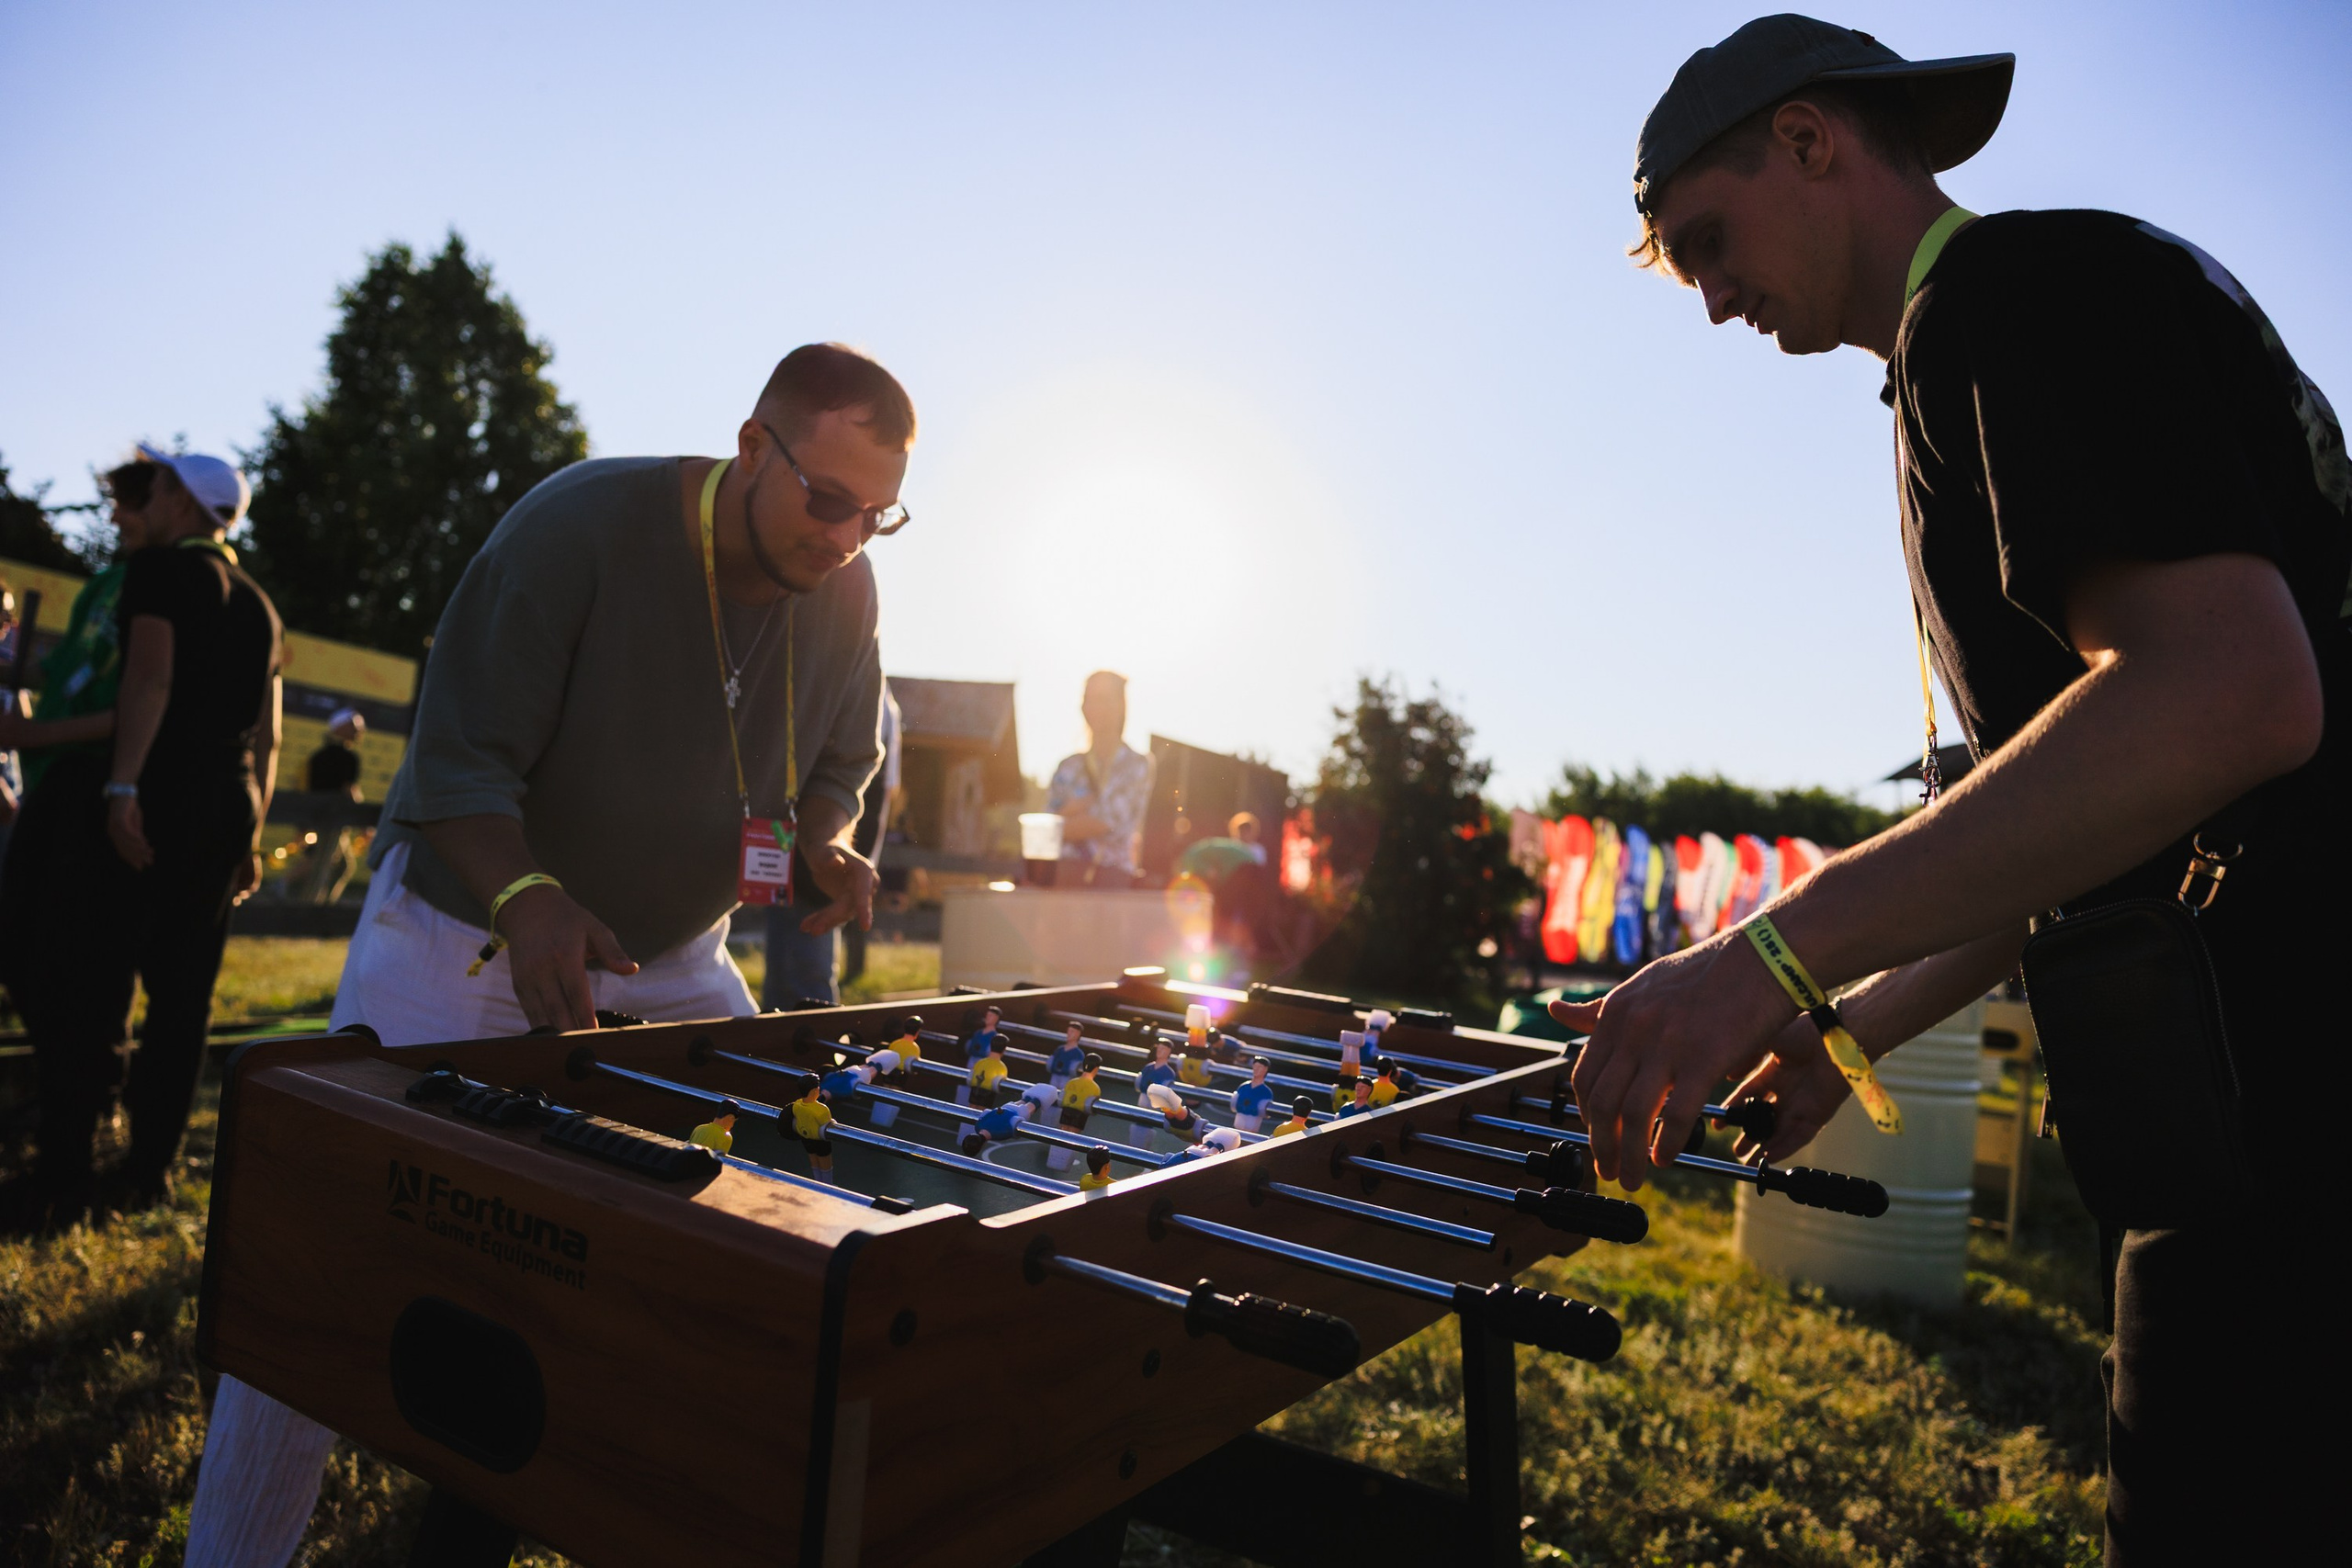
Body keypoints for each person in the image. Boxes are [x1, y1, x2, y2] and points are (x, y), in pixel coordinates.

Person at [1576, 17, 2347, 1565]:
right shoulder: (2035, 312)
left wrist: (1764, 951)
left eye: (1711, 243)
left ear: (1809, 139)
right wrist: (1848, 1022)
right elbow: (2097, 809)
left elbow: (2232, 695)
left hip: (2293, 1120)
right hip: (2249, 1116)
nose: (1715, 303)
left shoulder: (2016, 299)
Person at [184, 344, 916, 1568]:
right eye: (826, 498)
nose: (846, 536)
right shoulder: (579, 526)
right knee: (321, 1265)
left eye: (876, 512)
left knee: (779, 1207)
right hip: (459, 938)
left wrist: (828, 846)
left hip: (678, 954)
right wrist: (530, 899)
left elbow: (835, 770)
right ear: (751, 447)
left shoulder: (848, 589)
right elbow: (456, 761)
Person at [766, 683, 898, 1004]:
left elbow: (871, 790)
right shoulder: (880, 701)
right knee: (794, 974)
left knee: (805, 985)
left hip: (819, 862)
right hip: (811, 857)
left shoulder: (865, 695)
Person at [1046, 670, 1149, 886]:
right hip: (1065, 878)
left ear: (1120, 705)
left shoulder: (1137, 765)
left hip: (1113, 880)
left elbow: (1108, 822)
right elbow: (1046, 830)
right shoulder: (1068, 766)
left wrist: (1068, 814)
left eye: (1101, 699)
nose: (1092, 707)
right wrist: (1077, 817)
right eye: (1087, 699)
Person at [287, 707, 367, 902]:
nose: (359, 731)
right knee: (321, 865)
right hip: (332, 820)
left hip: (317, 818)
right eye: (354, 726)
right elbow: (350, 791)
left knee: (340, 865)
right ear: (339, 728)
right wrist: (364, 821)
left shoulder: (317, 756)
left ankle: (322, 907)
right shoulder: (348, 758)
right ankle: (308, 910)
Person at [789, 1076, 835, 1175]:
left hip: (805, 1138)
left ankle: (817, 1181)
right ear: (815, 1091)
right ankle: (827, 1185)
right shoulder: (822, 1110)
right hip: (820, 1140)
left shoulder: (796, 1105)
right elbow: (827, 1124)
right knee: (825, 1163)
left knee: (813, 1160)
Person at [1230, 1058, 1276, 1133]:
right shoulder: (1243, 1087)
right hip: (1236, 1127)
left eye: (1260, 1067)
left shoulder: (1266, 1092)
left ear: (1266, 1069)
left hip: (1252, 1129)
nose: (1256, 1069)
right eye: (1255, 1066)